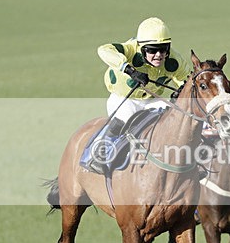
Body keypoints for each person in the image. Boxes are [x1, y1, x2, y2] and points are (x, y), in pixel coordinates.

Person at [80, 17, 192, 174]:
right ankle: (97, 154)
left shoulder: (174, 60)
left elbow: (187, 81)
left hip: (151, 100)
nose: (159, 55)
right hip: (124, 98)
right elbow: (103, 50)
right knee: (125, 118)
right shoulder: (131, 49)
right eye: (152, 50)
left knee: (177, 116)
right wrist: (130, 70)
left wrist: (181, 92)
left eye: (163, 49)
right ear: (142, 48)